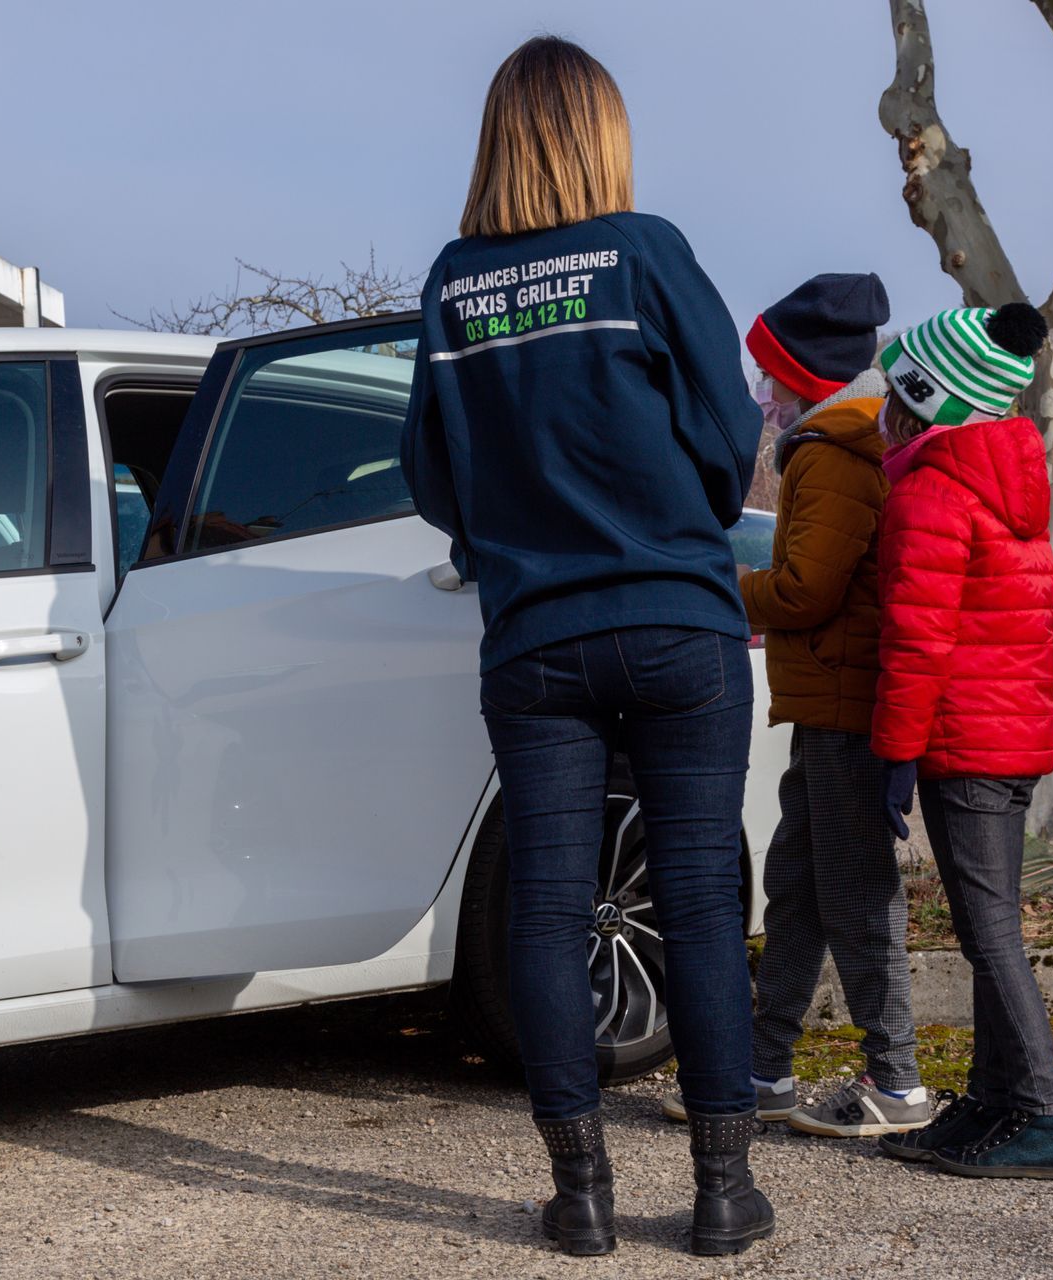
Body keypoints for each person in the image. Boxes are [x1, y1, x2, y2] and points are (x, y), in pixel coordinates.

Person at [400, 35, 772, 1258]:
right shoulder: (645, 252)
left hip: (537, 643)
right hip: (679, 624)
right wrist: (673, 519)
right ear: (601, 133)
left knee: (549, 914)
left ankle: (582, 1193)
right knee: (704, 905)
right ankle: (722, 1193)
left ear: (498, 138)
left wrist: (517, 538)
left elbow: (431, 477)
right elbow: (728, 436)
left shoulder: (455, 285)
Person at [660, 274, 932, 1139]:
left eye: (772, 377)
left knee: (854, 893)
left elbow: (806, 590)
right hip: (830, 703)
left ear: (807, 373)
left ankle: (897, 1084)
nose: (764, 397)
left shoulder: (829, 452)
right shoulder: (851, 442)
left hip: (845, 706)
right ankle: (763, 1068)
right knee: (798, 888)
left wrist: (715, 584)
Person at [868, 302, 1053, 1179]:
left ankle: (1042, 1118)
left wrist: (894, 754)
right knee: (988, 927)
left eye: (895, 396)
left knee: (989, 932)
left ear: (926, 404)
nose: (881, 410)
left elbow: (918, 639)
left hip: (966, 745)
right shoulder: (1007, 479)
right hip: (1014, 739)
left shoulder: (930, 492)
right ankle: (996, 1103)